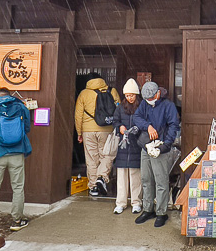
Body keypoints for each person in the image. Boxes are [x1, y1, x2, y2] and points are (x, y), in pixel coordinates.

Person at [0, 88, 32, 233]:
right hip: (17, 152)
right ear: (10, 96)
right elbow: (27, 128)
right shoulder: (21, 107)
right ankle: (17, 221)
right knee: (18, 187)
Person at [133, 81, 180, 228]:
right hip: (146, 146)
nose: (149, 101)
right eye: (147, 99)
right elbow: (136, 117)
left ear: (158, 93)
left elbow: (173, 125)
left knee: (161, 181)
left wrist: (166, 144)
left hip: (161, 147)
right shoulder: (145, 104)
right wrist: (148, 126)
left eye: (151, 98)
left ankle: (161, 212)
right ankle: (148, 209)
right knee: (146, 179)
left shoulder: (168, 105)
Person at [74, 73, 121, 197]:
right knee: (107, 154)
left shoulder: (84, 93)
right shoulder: (112, 91)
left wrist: (79, 132)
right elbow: (119, 110)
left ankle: (93, 186)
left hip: (88, 130)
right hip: (107, 129)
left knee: (91, 159)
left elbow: (78, 115)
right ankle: (102, 177)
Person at [112, 78, 143, 214]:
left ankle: (136, 202)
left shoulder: (142, 107)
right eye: (127, 95)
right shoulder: (120, 107)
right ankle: (121, 203)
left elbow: (145, 123)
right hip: (123, 146)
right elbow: (115, 121)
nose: (129, 98)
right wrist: (120, 127)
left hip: (136, 145)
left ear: (136, 95)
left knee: (136, 176)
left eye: (132, 95)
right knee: (122, 176)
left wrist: (138, 129)